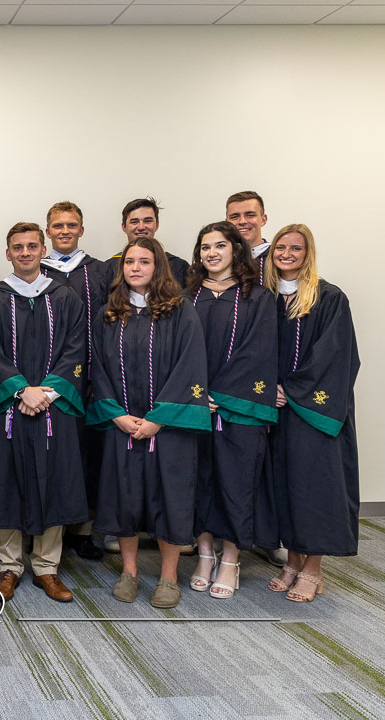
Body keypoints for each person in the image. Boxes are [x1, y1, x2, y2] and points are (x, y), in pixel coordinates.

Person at [88, 237, 210, 608]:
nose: (135, 268)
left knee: (169, 498)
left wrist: (158, 419)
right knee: (125, 496)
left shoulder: (180, 310)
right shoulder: (110, 313)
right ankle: (129, 571)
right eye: (129, 262)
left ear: (158, 267)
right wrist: (118, 415)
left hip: (167, 428)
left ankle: (169, 577)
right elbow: (98, 367)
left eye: (144, 261)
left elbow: (191, 366)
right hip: (122, 424)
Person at [0, 223, 88, 604]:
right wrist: (22, 390)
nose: (25, 253)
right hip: (9, 407)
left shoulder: (66, 297)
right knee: (7, 481)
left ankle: (47, 568)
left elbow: (77, 350)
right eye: (17, 247)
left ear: (43, 250)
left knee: (53, 481)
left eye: (31, 246)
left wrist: (46, 392)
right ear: (7, 253)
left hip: (54, 407)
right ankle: (8, 567)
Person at [263, 224, 359, 603]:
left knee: (315, 487)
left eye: (295, 249)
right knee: (283, 484)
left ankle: (314, 567)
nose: (286, 254)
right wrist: (266, 389)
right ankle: (293, 560)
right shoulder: (265, 297)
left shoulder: (328, 297)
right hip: (274, 406)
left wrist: (294, 390)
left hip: (314, 409)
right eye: (280, 248)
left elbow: (336, 356)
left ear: (308, 253)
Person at [184, 222, 278, 599]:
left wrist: (219, 395)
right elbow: (175, 352)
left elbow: (258, 353)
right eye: (205, 247)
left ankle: (232, 558)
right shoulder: (188, 296)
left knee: (236, 483)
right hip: (194, 407)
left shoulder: (258, 297)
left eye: (219, 245)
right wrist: (194, 394)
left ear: (236, 250)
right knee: (199, 481)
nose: (211, 253)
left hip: (239, 409)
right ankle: (205, 554)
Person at [40, 201, 112, 561]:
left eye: (72, 225)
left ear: (81, 230)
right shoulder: (34, 271)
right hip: (46, 381)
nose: (65, 230)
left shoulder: (100, 272)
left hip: (93, 377)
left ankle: (83, 530)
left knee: (87, 454)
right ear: (48, 231)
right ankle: (47, 524)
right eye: (58, 225)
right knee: (52, 452)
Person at [107, 198, 190, 287]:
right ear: (124, 227)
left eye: (147, 221)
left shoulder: (179, 267)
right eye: (134, 222)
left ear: (157, 225)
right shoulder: (109, 268)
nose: (141, 227)